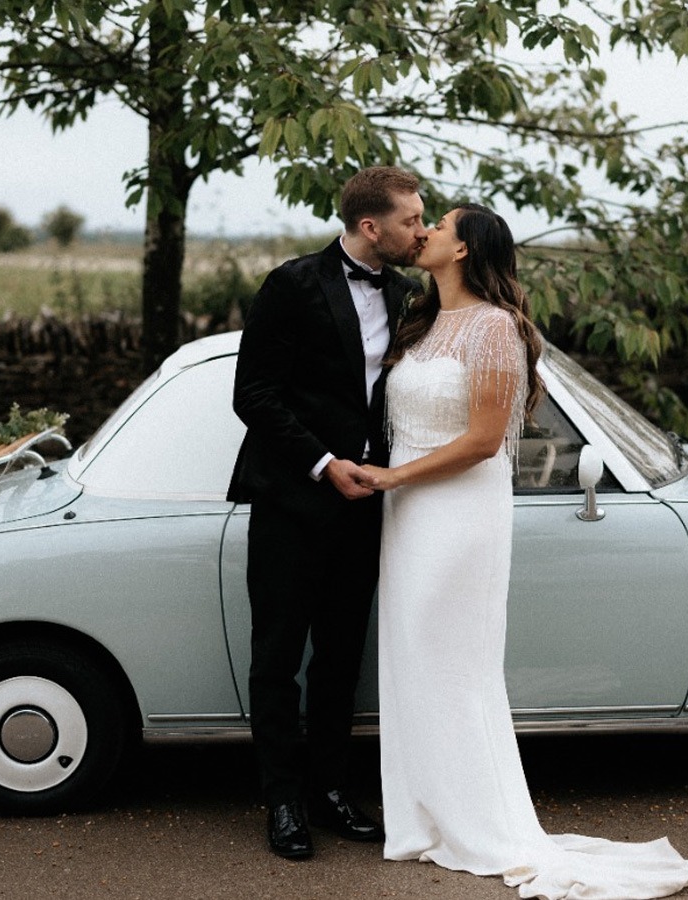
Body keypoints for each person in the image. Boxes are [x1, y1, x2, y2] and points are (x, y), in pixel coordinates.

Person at [361, 204, 688, 898]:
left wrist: (394, 475)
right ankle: (428, 815)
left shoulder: (493, 327)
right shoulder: (422, 322)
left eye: (438, 225)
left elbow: (485, 440)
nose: (423, 232)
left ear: (464, 249)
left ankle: (478, 820)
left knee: (453, 660)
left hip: (457, 511)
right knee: (412, 657)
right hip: (409, 513)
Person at [229, 166, 427, 860]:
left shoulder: (406, 294)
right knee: (278, 656)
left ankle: (331, 790)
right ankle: (282, 801)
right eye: (411, 220)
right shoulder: (293, 284)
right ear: (370, 226)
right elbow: (253, 393)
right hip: (290, 499)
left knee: (342, 657)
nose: (422, 231)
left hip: (367, 505)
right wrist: (322, 462)